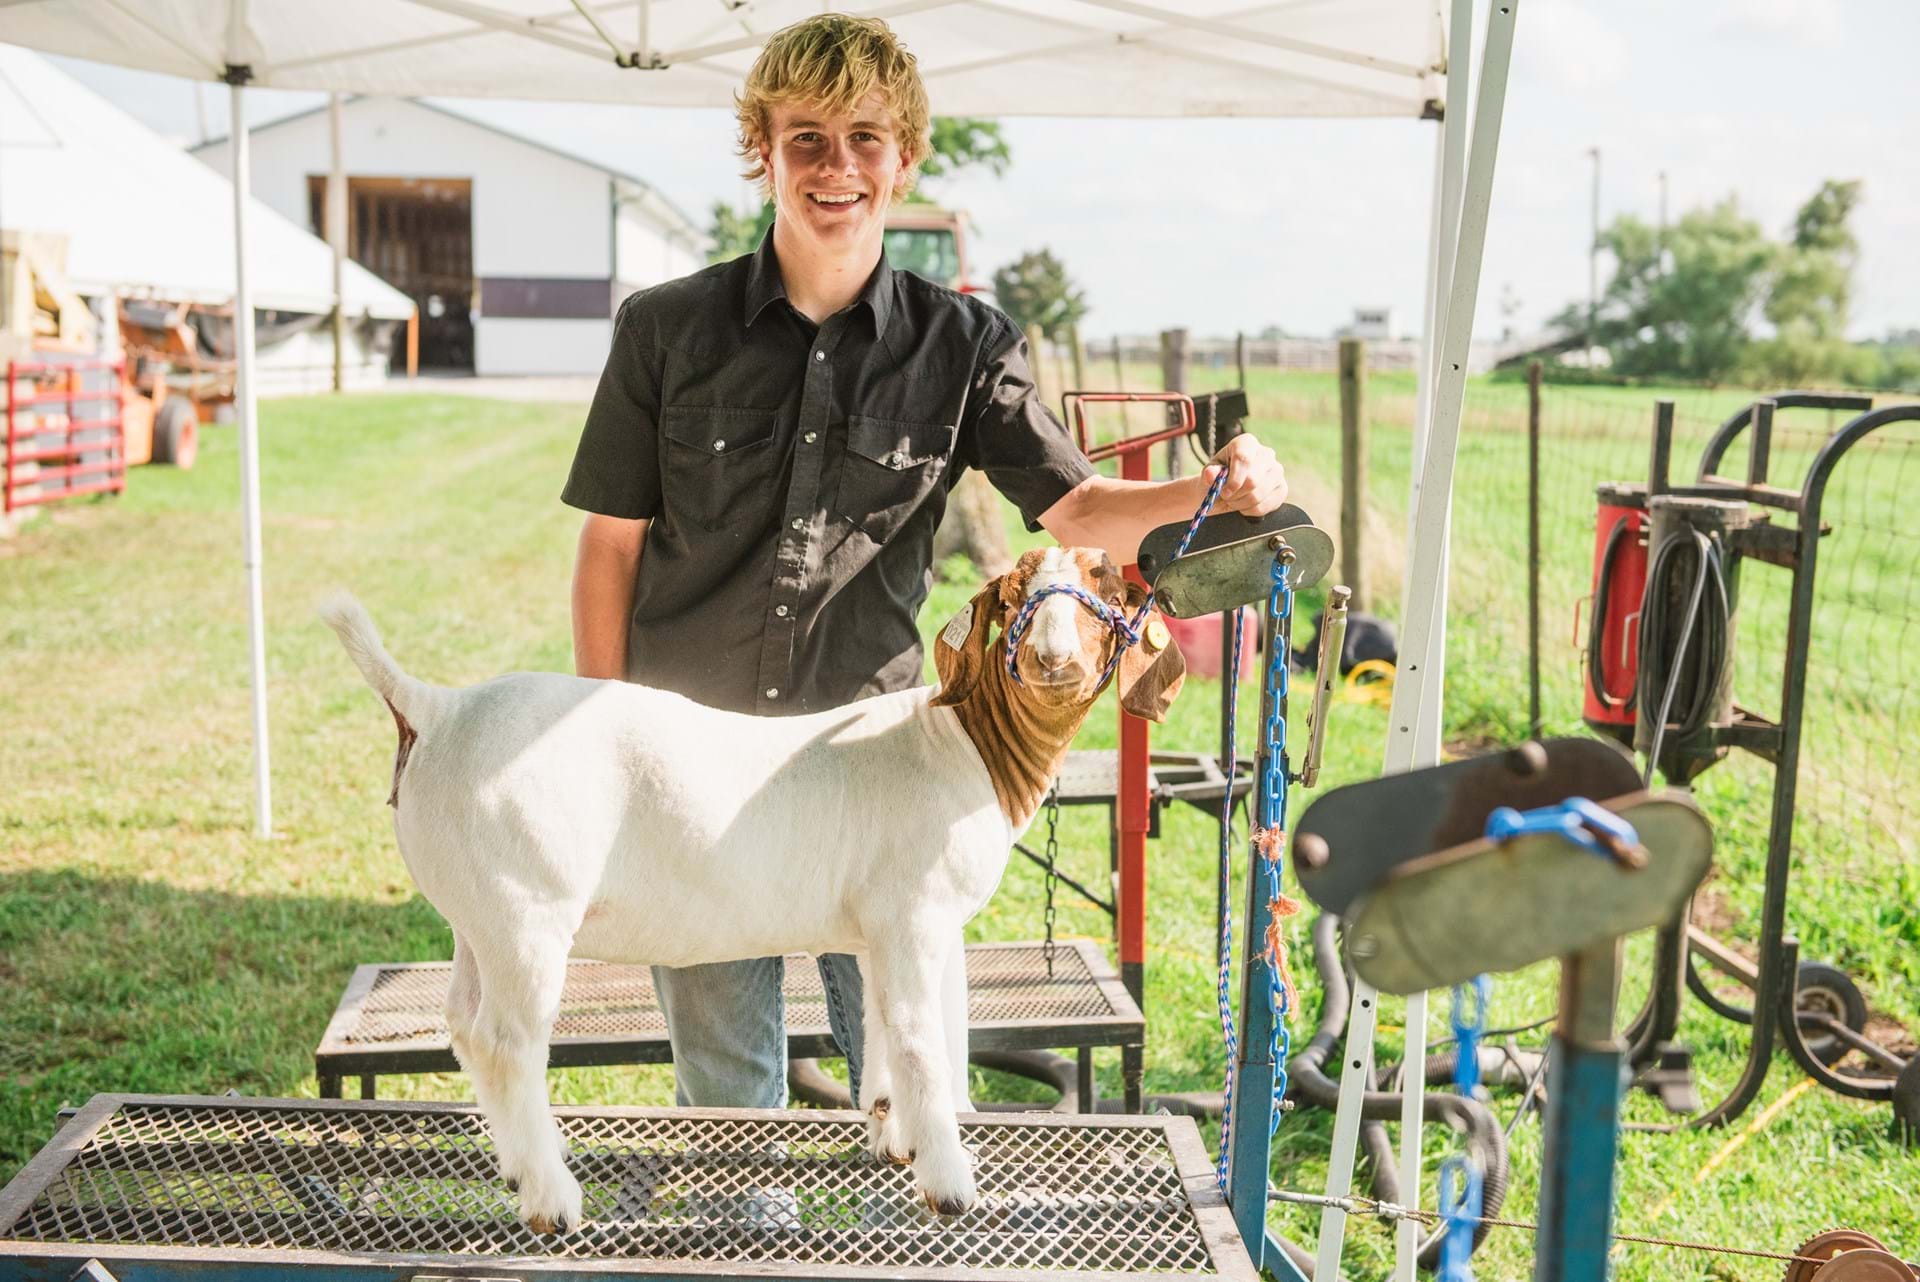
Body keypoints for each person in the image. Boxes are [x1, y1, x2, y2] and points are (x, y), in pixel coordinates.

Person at [562, 12, 1288, 1111]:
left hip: (871, 765)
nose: (836, 167)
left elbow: (1079, 505)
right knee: (729, 1088)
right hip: (691, 763)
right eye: (806, 138)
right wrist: (609, 749)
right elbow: (609, 547)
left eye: (865, 137)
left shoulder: (963, 345)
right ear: (761, 148)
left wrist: (1213, 489)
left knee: (912, 1068)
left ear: (908, 156)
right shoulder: (664, 327)